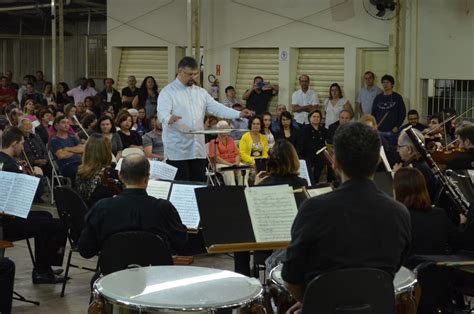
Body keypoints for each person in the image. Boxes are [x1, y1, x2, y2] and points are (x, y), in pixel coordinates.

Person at [281, 122, 411, 313]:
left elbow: (290, 279)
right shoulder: (400, 213)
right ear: (377, 161)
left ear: (335, 162)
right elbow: (390, 271)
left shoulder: (313, 209)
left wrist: (313, 302)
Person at [157, 56, 252, 181]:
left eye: (195, 74)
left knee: (199, 184)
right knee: (181, 185)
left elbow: (217, 108)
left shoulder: (201, 92)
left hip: (198, 149)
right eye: (189, 74)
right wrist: (168, 118)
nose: (193, 77)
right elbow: (161, 112)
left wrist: (238, 114)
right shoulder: (168, 92)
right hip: (178, 150)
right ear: (179, 71)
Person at [78, 154, 188, 259]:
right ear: (147, 178)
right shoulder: (164, 208)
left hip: (114, 273)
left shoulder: (102, 207)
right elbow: (181, 243)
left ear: (120, 176)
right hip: (155, 273)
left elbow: (86, 250)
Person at [1, 127, 67, 284]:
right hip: (6, 221)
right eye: (22, 144)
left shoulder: (4, 161)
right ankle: (42, 271)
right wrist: (38, 177)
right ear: (14, 143)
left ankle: (43, 268)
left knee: (46, 217)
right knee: (56, 225)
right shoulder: (10, 165)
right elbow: (30, 197)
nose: (23, 147)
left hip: (6, 216)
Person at [235, 139, 307, 276]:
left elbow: (252, 211)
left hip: (269, 235)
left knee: (240, 238)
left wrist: (254, 187)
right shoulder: (302, 183)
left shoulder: (264, 184)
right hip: (294, 234)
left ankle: (243, 277)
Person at [394, 128, 440, 202]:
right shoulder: (424, 162)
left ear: (409, 149)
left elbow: (406, 200)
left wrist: (396, 175)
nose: (397, 150)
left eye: (399, 146)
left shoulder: (413, 171)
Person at [75, 133, 122, 207]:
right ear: (106, 152)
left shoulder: (80, 170)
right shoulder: (109, 174)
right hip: (102, 214)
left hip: (86, 212)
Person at [371, 74, 406, 145]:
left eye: (387, 82)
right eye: (383, 82)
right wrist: (374, 125)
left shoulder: (397, 97)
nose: (385, 84)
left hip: (392, 131)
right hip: (379, 130)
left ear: (392, 85)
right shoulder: (378, 98)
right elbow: (373, 113)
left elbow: (402, 113)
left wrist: (397, 126)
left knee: (392, 150)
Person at [209, 120, 243, 186]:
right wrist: (230, 165)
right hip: (220, 164)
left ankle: (244, 190)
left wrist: (236, 163)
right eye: (222, 127)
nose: (225, 129)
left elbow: (237, 154)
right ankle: (232, 191)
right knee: (229, 171)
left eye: (226, 127)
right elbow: (217, 159)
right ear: (218, 129)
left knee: (243, 169)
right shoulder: (213, 142)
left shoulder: (231, 140)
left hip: (234, 163)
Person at [300, 109, 327, 184]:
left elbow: (325, 143)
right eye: (314, 116)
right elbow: (305, 144)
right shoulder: (305, 129)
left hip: (320, 154)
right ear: (310, 118)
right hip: (308, 154)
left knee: (324, 160)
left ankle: (321, 181)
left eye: (318, 117)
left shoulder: (324, 130)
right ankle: (311, 182)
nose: (316, 118)